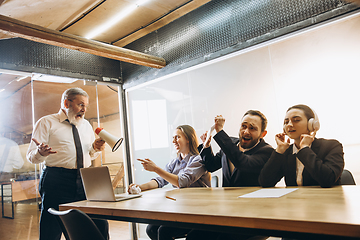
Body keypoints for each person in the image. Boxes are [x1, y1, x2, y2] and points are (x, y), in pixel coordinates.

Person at [26, 87, 108, 240]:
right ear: (66, 103)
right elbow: (31, 157)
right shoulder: (46, 122)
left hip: (85, 179)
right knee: (52, 229)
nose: (84, 110)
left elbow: (89, 153)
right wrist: (40, 153)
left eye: (86, 106)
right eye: (81, 105)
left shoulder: (86, 126)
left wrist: (95, 148)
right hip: (56, 179)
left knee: (97, 223)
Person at [186, 110, 274, 240]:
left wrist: (220, 131)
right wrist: (206, 145)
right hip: (228, 212)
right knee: (194, 236)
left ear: (263, 134)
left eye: (252, 128)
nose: (246, 131)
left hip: (253, 217)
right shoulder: (231, 144)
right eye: (243, 126)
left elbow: (243, 163)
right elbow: (211, 166)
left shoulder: (267, 152)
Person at [128, 125, 211, 240]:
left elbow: (182, 182)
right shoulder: (174, 162)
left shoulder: (198, 159)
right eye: (173, 138)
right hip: (183, 210)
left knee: (164, 231)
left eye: (177, 137)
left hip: (199, 212)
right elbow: (160, 181)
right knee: (151, 229)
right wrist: (140, 187)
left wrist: (156, 168)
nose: (173, 141)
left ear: (188, 139)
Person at [259, 104, 344, 188]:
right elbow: (265, 182)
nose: (289, 125)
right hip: (296, 200)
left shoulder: (331, 146)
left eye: (296, 120)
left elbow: (328, 180)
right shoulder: (286, 151)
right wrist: (279, 151)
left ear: (312, 124)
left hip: (326, 199)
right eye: (286, 122)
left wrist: (304, 149)